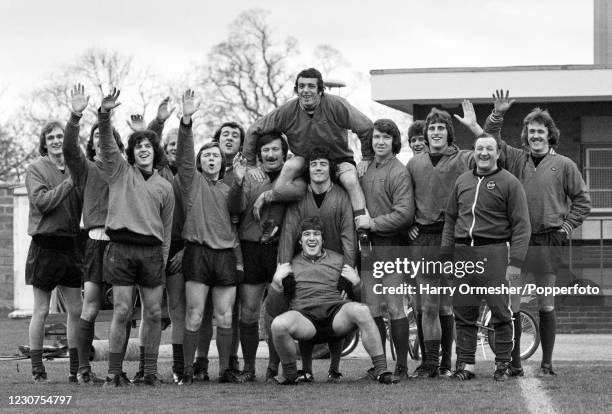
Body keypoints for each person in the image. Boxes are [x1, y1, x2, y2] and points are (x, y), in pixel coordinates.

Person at [480, 90, 591, 377]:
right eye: (531, 131)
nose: (535, 136)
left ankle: (547, 362)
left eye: (541, 131)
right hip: (519, 240)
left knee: (546, 302)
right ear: (526, 135)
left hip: (549, 240)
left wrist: (566, 227)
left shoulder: (565, 165)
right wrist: (497, 114)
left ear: (550, 135)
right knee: (513, 301)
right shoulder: (517, 159)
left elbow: (582, 201)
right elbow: (491, 140)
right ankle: (515, 362)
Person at [243, 67, 374, 248]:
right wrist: (250, 163)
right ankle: (273, 223)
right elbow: (254, 129)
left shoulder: (336, 105)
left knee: (351, 180)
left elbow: (366, 126)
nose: (306, 90)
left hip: (338, 158)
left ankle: (362, 230)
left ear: (321, 90)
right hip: (306, 159)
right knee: (289, 167)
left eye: (311, 86)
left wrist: (367, 156)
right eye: (301, 86)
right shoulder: (288, 110)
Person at [98, 88, 174, 387]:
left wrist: (163, 261)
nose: (144, 149)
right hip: (121, 249)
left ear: (156, 152)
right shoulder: (119, 171)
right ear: (132, 152)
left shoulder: (164, 187)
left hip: (152, 253)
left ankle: (150, 371)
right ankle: (115, 372)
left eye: (149, 146)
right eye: (139, 145)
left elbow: (166, 230)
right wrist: (104, 115)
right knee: (122, 311)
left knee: (153, 313)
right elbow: (106, 144)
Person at [441, 133, 531, 381]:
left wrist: (516, 263)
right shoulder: (462, 181)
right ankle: (466, 365)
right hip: (462, 253)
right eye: (480, 148)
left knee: (500, 311)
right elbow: (450, 219)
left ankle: (502, 365)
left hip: (494, 253)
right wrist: (446, 256)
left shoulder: (510, 182)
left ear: (498, 153)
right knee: (464, 312)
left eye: (489, 149)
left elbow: (522, 226)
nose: (484, 153)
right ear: (474, 151)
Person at [270, 217, 397, 384]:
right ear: (300, 241)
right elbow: (273, 310)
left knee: (362, 311)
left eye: (316, 234)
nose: (312, 238)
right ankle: (291, 374)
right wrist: (276, 283)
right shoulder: (290, 265)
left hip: (336, 315)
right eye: (307, 234)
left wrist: (357, 283)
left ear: (323, 239)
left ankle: (381, 370)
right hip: (305, 319)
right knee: (278, 325)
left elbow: (365, 301)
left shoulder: (339, 260)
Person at [269, 146, 357, 382]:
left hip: (335, 262)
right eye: (314, 164)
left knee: (334, 307)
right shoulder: (300, 195)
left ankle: (335, 368)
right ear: (309, 169)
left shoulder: (341, 195)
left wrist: (348, 271)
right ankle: (305, 369)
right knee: (304, 308)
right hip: (304, 260)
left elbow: (349, 234)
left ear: (330, 168)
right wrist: (285, 268)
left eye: (323, 164)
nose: (318, 168)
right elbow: (288, 232)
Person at [175, 90, 240, 385]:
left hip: (225, 256)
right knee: (194, 314)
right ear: (200, 162)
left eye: (216, 156)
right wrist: (186, 121)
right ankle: (187, 370)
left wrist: (238, 180)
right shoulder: (192, 182)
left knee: (225, 317)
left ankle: (226, 370)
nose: (212, 158)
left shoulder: (230, 187)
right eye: (207, 156)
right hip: (198, 254)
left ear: (222, 163)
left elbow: (239, 213)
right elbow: (185, 156)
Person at [406, 105, 475, 378]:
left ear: (449, 133)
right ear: (426, 133)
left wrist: (480, 126)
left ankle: (453, 361)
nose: (436, 132)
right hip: (423, 238)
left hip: (452, 235)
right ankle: (431, 364)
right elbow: (404, 199)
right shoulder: (414, 163)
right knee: (429, 304)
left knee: (454, 303)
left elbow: (493, 151)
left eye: (440, 128)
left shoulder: (462, 158)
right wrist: (408, 222)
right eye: (431, 128)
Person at [63, 84, 126, 385]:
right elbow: (67, 149)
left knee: (124, 308)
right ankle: (82, 367)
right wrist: (75, 117)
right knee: (90, 305)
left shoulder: (125, 170)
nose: (103, 143)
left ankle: (117, 369)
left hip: (125, 244)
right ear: (92, 146)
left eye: (108, 139)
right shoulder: (85, 168)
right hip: (95, 243)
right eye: (98, 140)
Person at [228, 131, 297, 382]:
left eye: (275, 149)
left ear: (283, 153)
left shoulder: (292, 176)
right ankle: (248, 368)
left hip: (280, 249)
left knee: (276, 312)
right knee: (248, 311)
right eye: (265, 150)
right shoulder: (249, 176)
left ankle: (273, 367)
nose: (270, 154)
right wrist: (238, 181)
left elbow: (297, 193)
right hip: (251, 248)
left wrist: (270, 193)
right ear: (259, 154)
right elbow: (234, 208)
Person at [26, 118, 83, 383]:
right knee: (41, 310)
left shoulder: (76, 166)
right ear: (44, 143)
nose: (57, 141)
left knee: (76, 309)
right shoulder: (36, 169)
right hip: (45, 245)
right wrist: (70, 183)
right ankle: (38, 369)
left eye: (60, 136)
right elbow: (42, 203)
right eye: (51, 138)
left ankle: (75, 369)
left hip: (71, 245)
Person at [357, 119, 414, 379]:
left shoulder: (399, 172)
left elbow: (404, 214)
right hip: (367, 248)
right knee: (372, 309)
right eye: (376, 137)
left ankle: (401, 365)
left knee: (394, 307)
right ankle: (380, 365)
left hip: (391, 247)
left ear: (394, 142)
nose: (380, 142)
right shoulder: (365, 169)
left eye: (386, 138)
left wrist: (374, 223)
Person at [193, 121, 245, 380]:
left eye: (235, 135)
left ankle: (229, 363)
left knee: (231, 312)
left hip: (231, 249)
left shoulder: (243, 172)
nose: (229, 138)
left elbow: (238, 211)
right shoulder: (197, 178)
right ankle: (199, 363)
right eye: (225, 134)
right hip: (200, 250)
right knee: (200, 312)